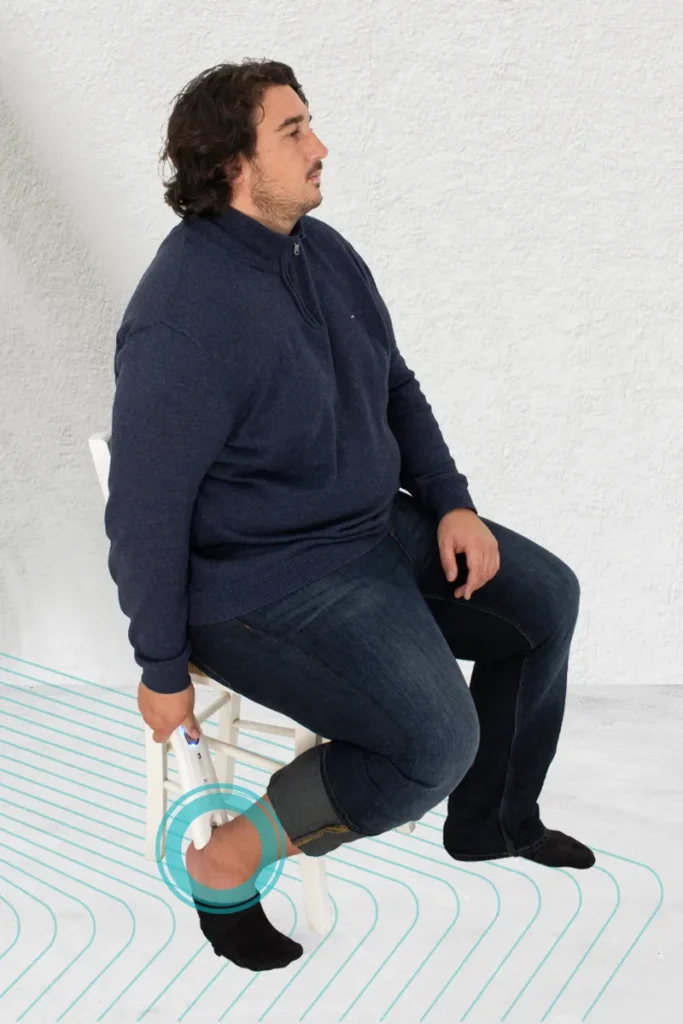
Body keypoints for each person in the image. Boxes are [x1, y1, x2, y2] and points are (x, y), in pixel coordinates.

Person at [105, 59, 594, 973]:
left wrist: (450, 502)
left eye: (309, 124)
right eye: (292, 131)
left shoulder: (317, 249)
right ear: (232, 164)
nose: (319, 146)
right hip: (259, 584)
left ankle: (491, 823)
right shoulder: (181, 318)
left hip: (370, 531)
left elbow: (393, 386)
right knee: (433, 742)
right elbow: (143, 514)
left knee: (543, 601)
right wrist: (160, 666)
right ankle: (227, 859)